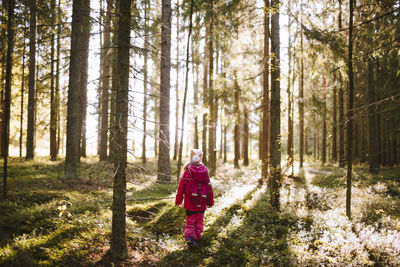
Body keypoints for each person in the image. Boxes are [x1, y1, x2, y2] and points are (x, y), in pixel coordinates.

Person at [175, 149, 214, 247]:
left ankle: (189, 237)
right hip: (202, 202)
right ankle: (196, 238)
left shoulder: (187, 172)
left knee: (190, 220)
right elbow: (209, 187)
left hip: (190, 203)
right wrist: (210, 201)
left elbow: (181, 188)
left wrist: (179, 201)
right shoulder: (205, 171)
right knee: (199, 220)